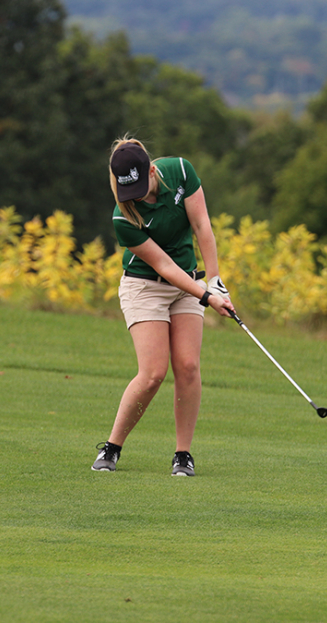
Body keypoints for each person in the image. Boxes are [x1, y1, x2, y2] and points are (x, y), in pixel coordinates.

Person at [92, 138, 235, 476]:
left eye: (140, 189)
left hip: (188, 283)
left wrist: (214, 280)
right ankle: (112, 447)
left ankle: (183, 455)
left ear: (152, 172)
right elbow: (164, 267)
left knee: (188, 366)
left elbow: (201, 225)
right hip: (145, 287)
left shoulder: (181, 171)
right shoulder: (123, 217)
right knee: (153, 373)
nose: (137, 198)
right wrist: (207, 296)